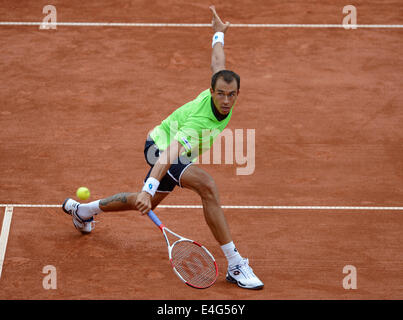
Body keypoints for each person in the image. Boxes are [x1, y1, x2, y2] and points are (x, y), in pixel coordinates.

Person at [62, 6, 263, 290]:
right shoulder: (200, 120)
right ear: (211, 92)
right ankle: (235, 263)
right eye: (220, 94)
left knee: (143, 203)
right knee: (206, 186)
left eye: (231, 95)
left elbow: (218, 64)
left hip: (170, 151)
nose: (226, 100)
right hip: (160, 147)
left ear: (237, 93)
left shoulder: (222, 87)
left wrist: (218, 33)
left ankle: (83, 211)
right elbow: (169, 152)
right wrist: (150, 186)